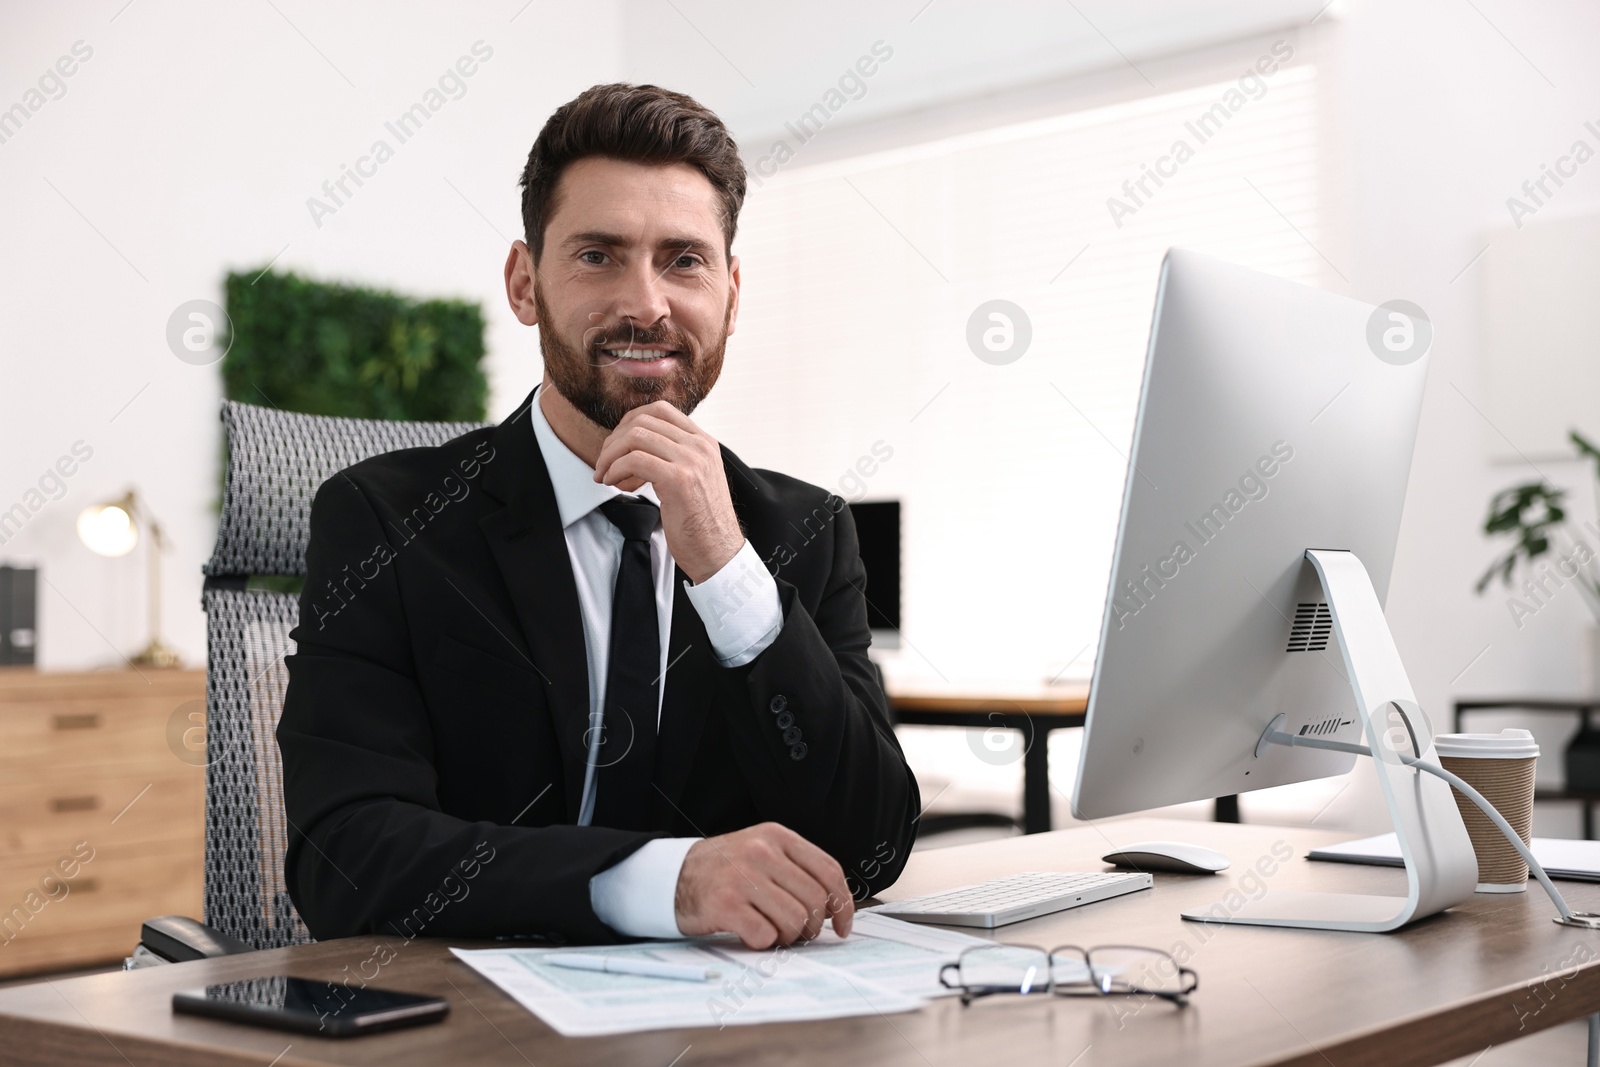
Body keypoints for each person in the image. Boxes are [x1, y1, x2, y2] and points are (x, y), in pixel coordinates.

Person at [277, 83, 920, 950]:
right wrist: (662, 883)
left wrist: (728, 571)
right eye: (598, 255)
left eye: (683, 260)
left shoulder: (803, 531)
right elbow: (344, 857)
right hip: (476, 1021)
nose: (646, 303)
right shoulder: (385, 521)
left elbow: (872, 846)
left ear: (731, 293)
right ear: (524, 282)